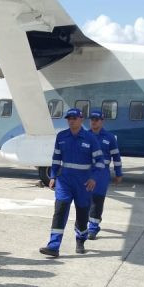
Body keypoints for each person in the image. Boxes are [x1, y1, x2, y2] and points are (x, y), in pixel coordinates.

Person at [39, 108, 105, 258]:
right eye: (69, 118)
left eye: (74, 118)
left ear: (81, 119)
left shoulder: (90, 138)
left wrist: (94, 178)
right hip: (65, 181)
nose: (71, 120)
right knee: (60, 211)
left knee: (82, 216)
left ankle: (80, 239)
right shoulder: (62, 137)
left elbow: (100, 162)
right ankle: (53, 246)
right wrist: (54, 176)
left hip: (83, 184)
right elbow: (56, 159)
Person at [85, 111, 122, 240]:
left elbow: (116, 156)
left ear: (102, 121)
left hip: (102, 173)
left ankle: (93, 228)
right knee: (86, 199)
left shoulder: (109, 138)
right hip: (87, 172)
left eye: (96, 119)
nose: (94, 121)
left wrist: (118, 173)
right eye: (92, 119)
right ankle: (87, 223)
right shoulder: (85, 135)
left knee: (97, 200)